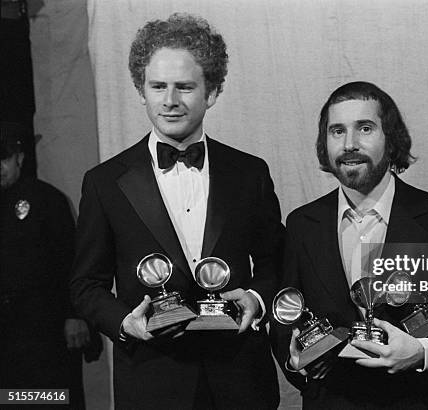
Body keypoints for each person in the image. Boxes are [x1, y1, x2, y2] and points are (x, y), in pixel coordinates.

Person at [70, 13, 283, 409]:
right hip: (153, 381)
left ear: (213, 92)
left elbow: (276, 260)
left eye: (185, 87)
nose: (169, 101)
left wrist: (256, 297)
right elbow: (86, 285)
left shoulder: (250, 173)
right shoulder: (103, 183)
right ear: (140, 89)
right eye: (158, 86)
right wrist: (123, 322)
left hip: (240, 379)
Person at [271, 82, 428, 409]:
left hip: (418, 399)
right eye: (337, 131)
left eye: (365, 128)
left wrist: (422, 353)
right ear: (324, 142)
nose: (350, 144)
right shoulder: (301, 224)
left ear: (390, 139)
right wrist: (296, 363)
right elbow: (285, 315)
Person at [1, 121, 102, 409]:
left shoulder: (47, 200)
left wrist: (75, 315)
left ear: (19, 157)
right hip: (7, 335)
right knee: (12, 401)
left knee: (53, 399)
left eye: (4, 157)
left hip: (45, 331)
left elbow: (72, 260)